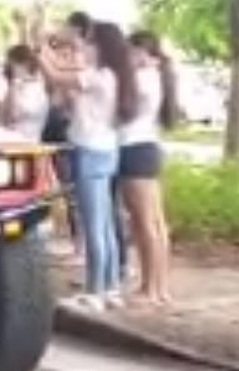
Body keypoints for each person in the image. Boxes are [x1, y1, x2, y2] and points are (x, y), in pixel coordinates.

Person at [38, 20, 137, 311]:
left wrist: (41, 47)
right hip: (107, 150)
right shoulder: (114, 75)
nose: (86, 46)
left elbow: (56, 76)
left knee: (94, 226)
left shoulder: (99, 76)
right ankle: (110, 288)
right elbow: (67, 76)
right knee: (104, 224)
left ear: (101, 47)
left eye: (91, 42)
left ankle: (95, 290)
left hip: (89, 150)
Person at [122, 30, 177, 305]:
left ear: (144, 53)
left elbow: (122, 109)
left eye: (131, 51)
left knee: (144, 223)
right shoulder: (156, 76)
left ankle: (151, 288)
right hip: (148, 147)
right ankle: (158, 286)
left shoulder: (141, 79)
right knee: (155, 222)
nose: (127, 57)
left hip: (134, 149)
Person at [0, 44, 50, 141]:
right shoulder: (16, 86)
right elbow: (2, 118)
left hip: (26, 142)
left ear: (24, 64)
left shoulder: (37, 88)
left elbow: (14, 115)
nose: (9, 68)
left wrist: (14, 87)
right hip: (11, 140)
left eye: (11, 64)